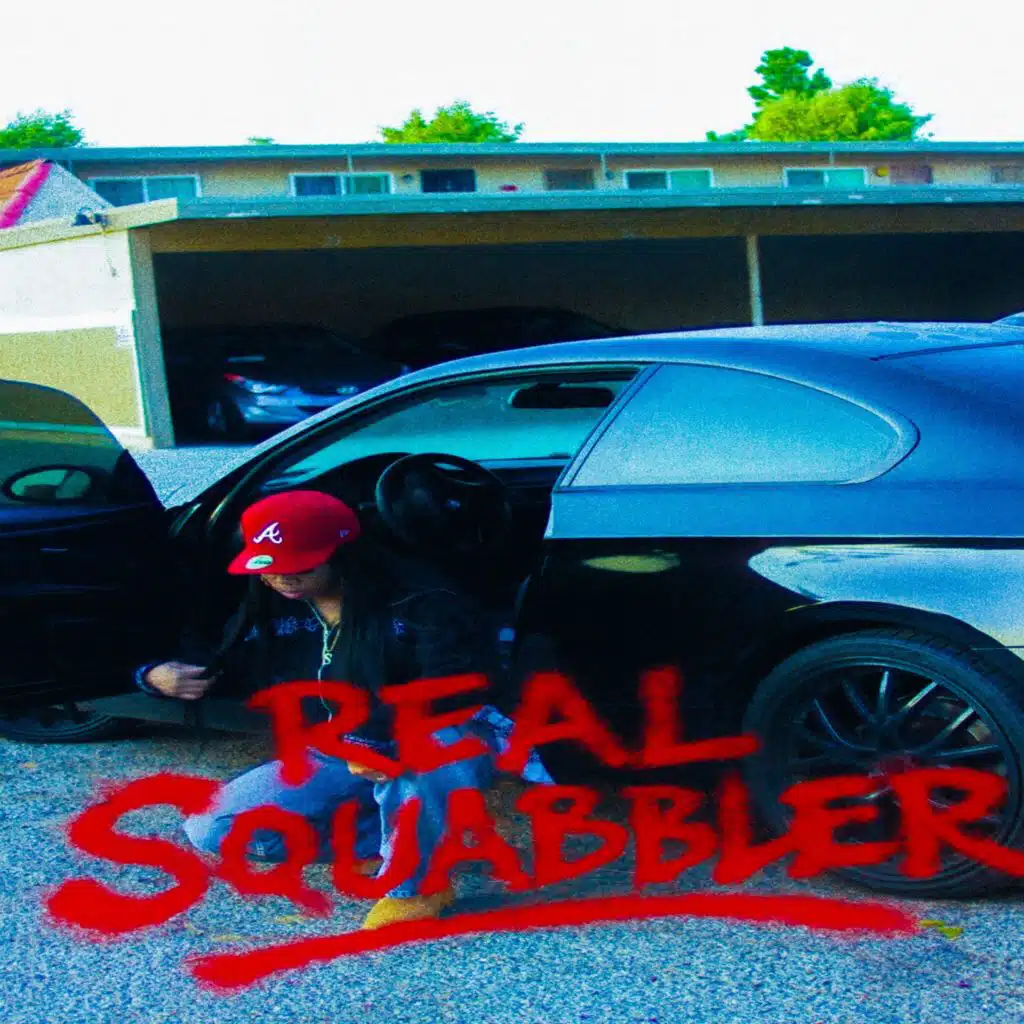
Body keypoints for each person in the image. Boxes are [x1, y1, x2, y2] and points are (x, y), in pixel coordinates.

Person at [136, 489, 551, 930]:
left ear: (343, 555)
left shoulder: (422, 599)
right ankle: (395, 839)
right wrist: (153, 674)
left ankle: (419, 885)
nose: (283, 578)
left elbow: (455, 686)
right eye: (269, 567)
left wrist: (369, 737)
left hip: (437, 730)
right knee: (213, 828)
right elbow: (222, 657)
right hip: (333, 749)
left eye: (300, 566)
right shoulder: (273, 601)